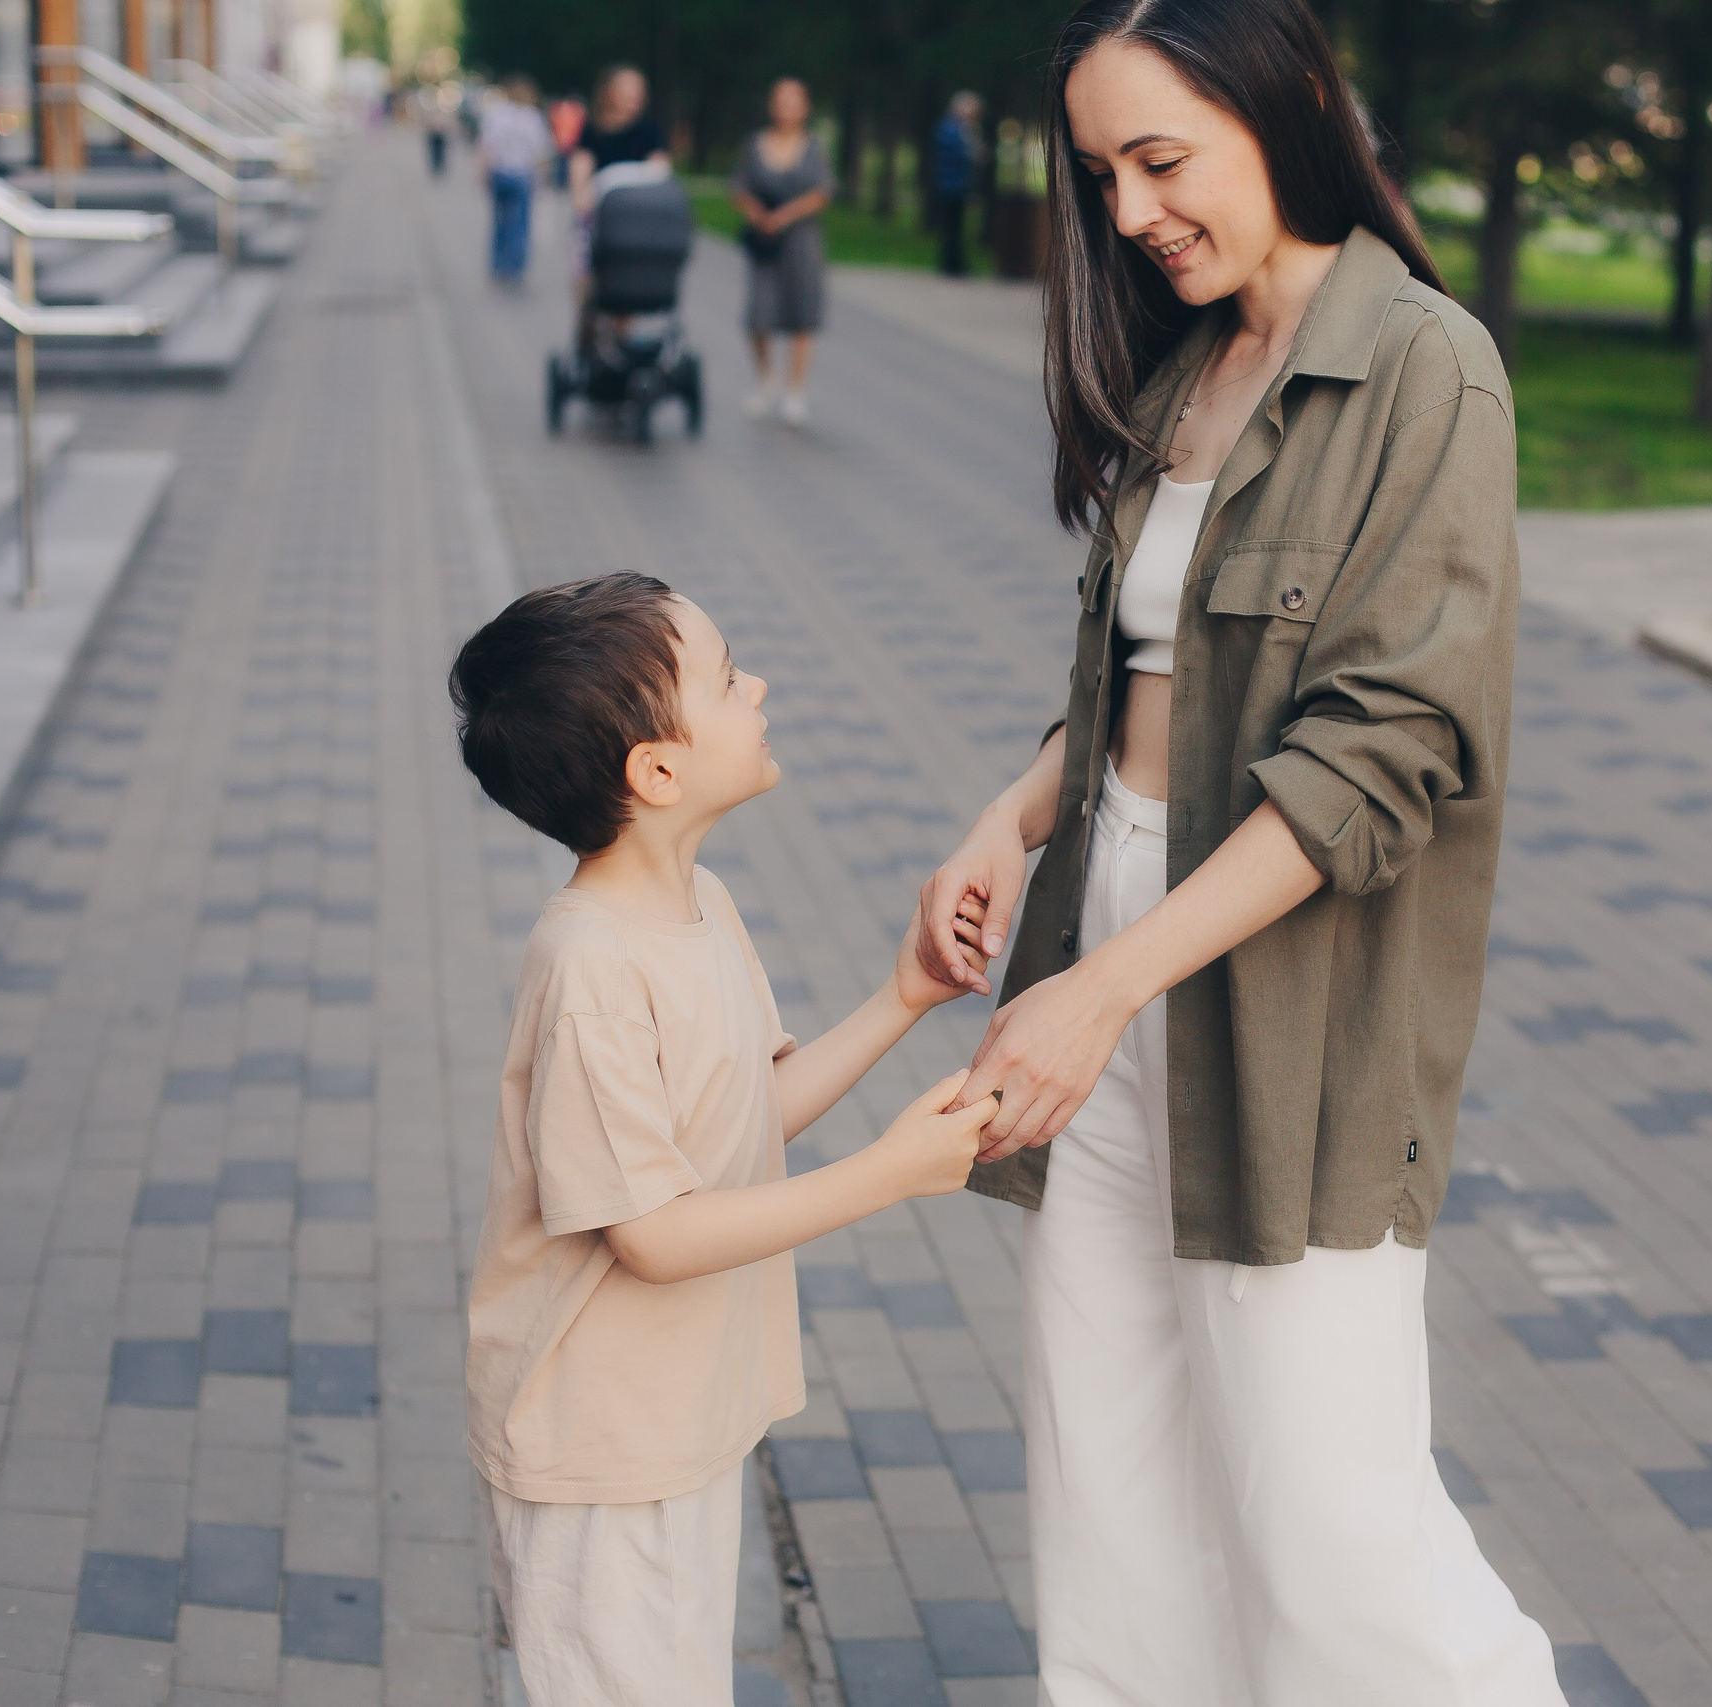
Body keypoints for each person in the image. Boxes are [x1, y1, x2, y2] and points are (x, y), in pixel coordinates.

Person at [909, 1, 1568, 1702]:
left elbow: (1382, 752)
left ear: (1282, 112)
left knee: (1331, 1525)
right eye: (1100, 172)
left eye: (1160, 160)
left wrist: (1104, 989)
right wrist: (1012, 814)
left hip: (1278, 1001)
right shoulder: (1185, 363)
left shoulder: (1426, 365)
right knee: (1112, 1484)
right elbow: (1149, 683)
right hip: (1104, 937)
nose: (1129, 213)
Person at [453, 573, 996, 1707]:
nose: (760, 686)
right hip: (599, 1445)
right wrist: (886, 1177)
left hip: (674, 1420)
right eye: (727, 675)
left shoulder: (701, 909)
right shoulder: (594, 967)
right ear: (656, 771)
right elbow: (650, 1232)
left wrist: (902, 998)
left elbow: (745, 1116)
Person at [729, 78, 830, 425]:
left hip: (801, 242)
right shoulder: (755, 144)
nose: (787, 110)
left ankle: (795, 391)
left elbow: (822, 192)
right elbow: (738, 186)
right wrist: (758, 215)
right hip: (764, 243)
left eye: (794, 102)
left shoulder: (814, 146)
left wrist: (784, 217)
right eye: (781, 102)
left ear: (805, 107)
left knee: (802, 315)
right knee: (758, 316)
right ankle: (766, 379)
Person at [569, 66, 671, 333]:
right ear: (610, 93)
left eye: (637, 91)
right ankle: (586, 327)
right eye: (626, 90)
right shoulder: (593, 129)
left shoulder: (648, 130)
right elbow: (581, 163)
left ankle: (620, 334)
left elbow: (659, 167)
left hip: (634, 217)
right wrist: (581, 193)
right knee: (586, 275)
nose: (633, 96)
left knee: (629, 276)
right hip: (599, 211)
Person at [478, 77, 553, 283]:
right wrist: (544, 178)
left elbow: (487, 146)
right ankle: (516, 266)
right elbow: (541, 152)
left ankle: (498, 264)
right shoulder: (533, 118)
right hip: (522, 175)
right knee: (520, 223)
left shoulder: (497, 114)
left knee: (499, 221)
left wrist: (482, 173)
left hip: (500, 172)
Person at [931, 90, 984, 277]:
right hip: (950, 185)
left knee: (958, 226)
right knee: (951, 226)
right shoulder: (951, 128)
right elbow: (960, 153)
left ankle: (955, 262)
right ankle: (950, 263)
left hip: (959, 184)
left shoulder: (960, 129)